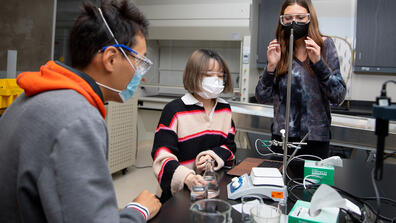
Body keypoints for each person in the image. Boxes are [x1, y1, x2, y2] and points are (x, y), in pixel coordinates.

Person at [0, 0, 161, 222]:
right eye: (139, 61)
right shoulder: (78, 120)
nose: (140, 74)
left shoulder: (32, 98)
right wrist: (138, 210)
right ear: (110, 59)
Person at [255, 0, 346, 159]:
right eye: (288, 18)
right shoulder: (279, 49)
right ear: (282, 21)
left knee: (311, 184)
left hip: (315, 139)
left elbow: (338, 96)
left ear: (309, 18)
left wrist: (318, 63)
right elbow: (261, 97)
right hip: (282, 139)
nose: (294, 22)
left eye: (300, 17)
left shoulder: (324, 46)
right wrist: (270, 67)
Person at [151, 49, 236, 202]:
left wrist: (212, 156)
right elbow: (161, 157)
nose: (216, 80)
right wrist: (188, 178)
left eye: (220, 75)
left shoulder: (225, 109)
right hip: (178, 193)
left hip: (211, 189)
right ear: (194, 75)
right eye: (209, 75)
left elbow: (229, 147)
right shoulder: (174, 110)